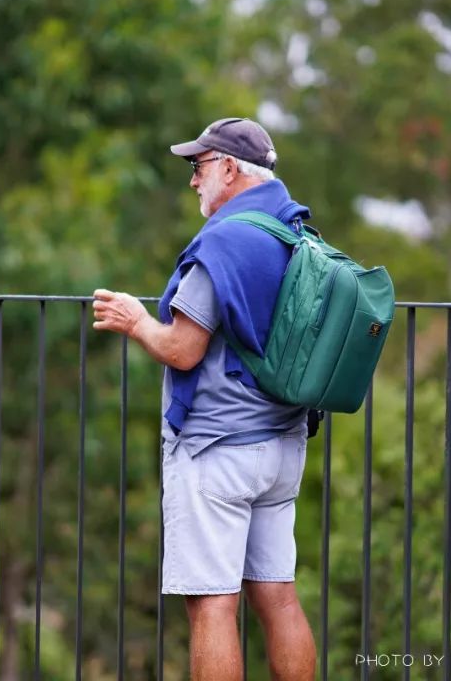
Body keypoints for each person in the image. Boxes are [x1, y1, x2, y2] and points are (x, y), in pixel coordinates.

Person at [93, 117, 316, 681]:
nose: (193, 181)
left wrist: (136, 321)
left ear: (230, 169)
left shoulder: (225, 241)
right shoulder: (295, 231)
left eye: (199, 166)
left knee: (213, 605)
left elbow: (183, 348)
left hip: (217, 451)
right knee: (280, 599)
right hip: (281, 447)